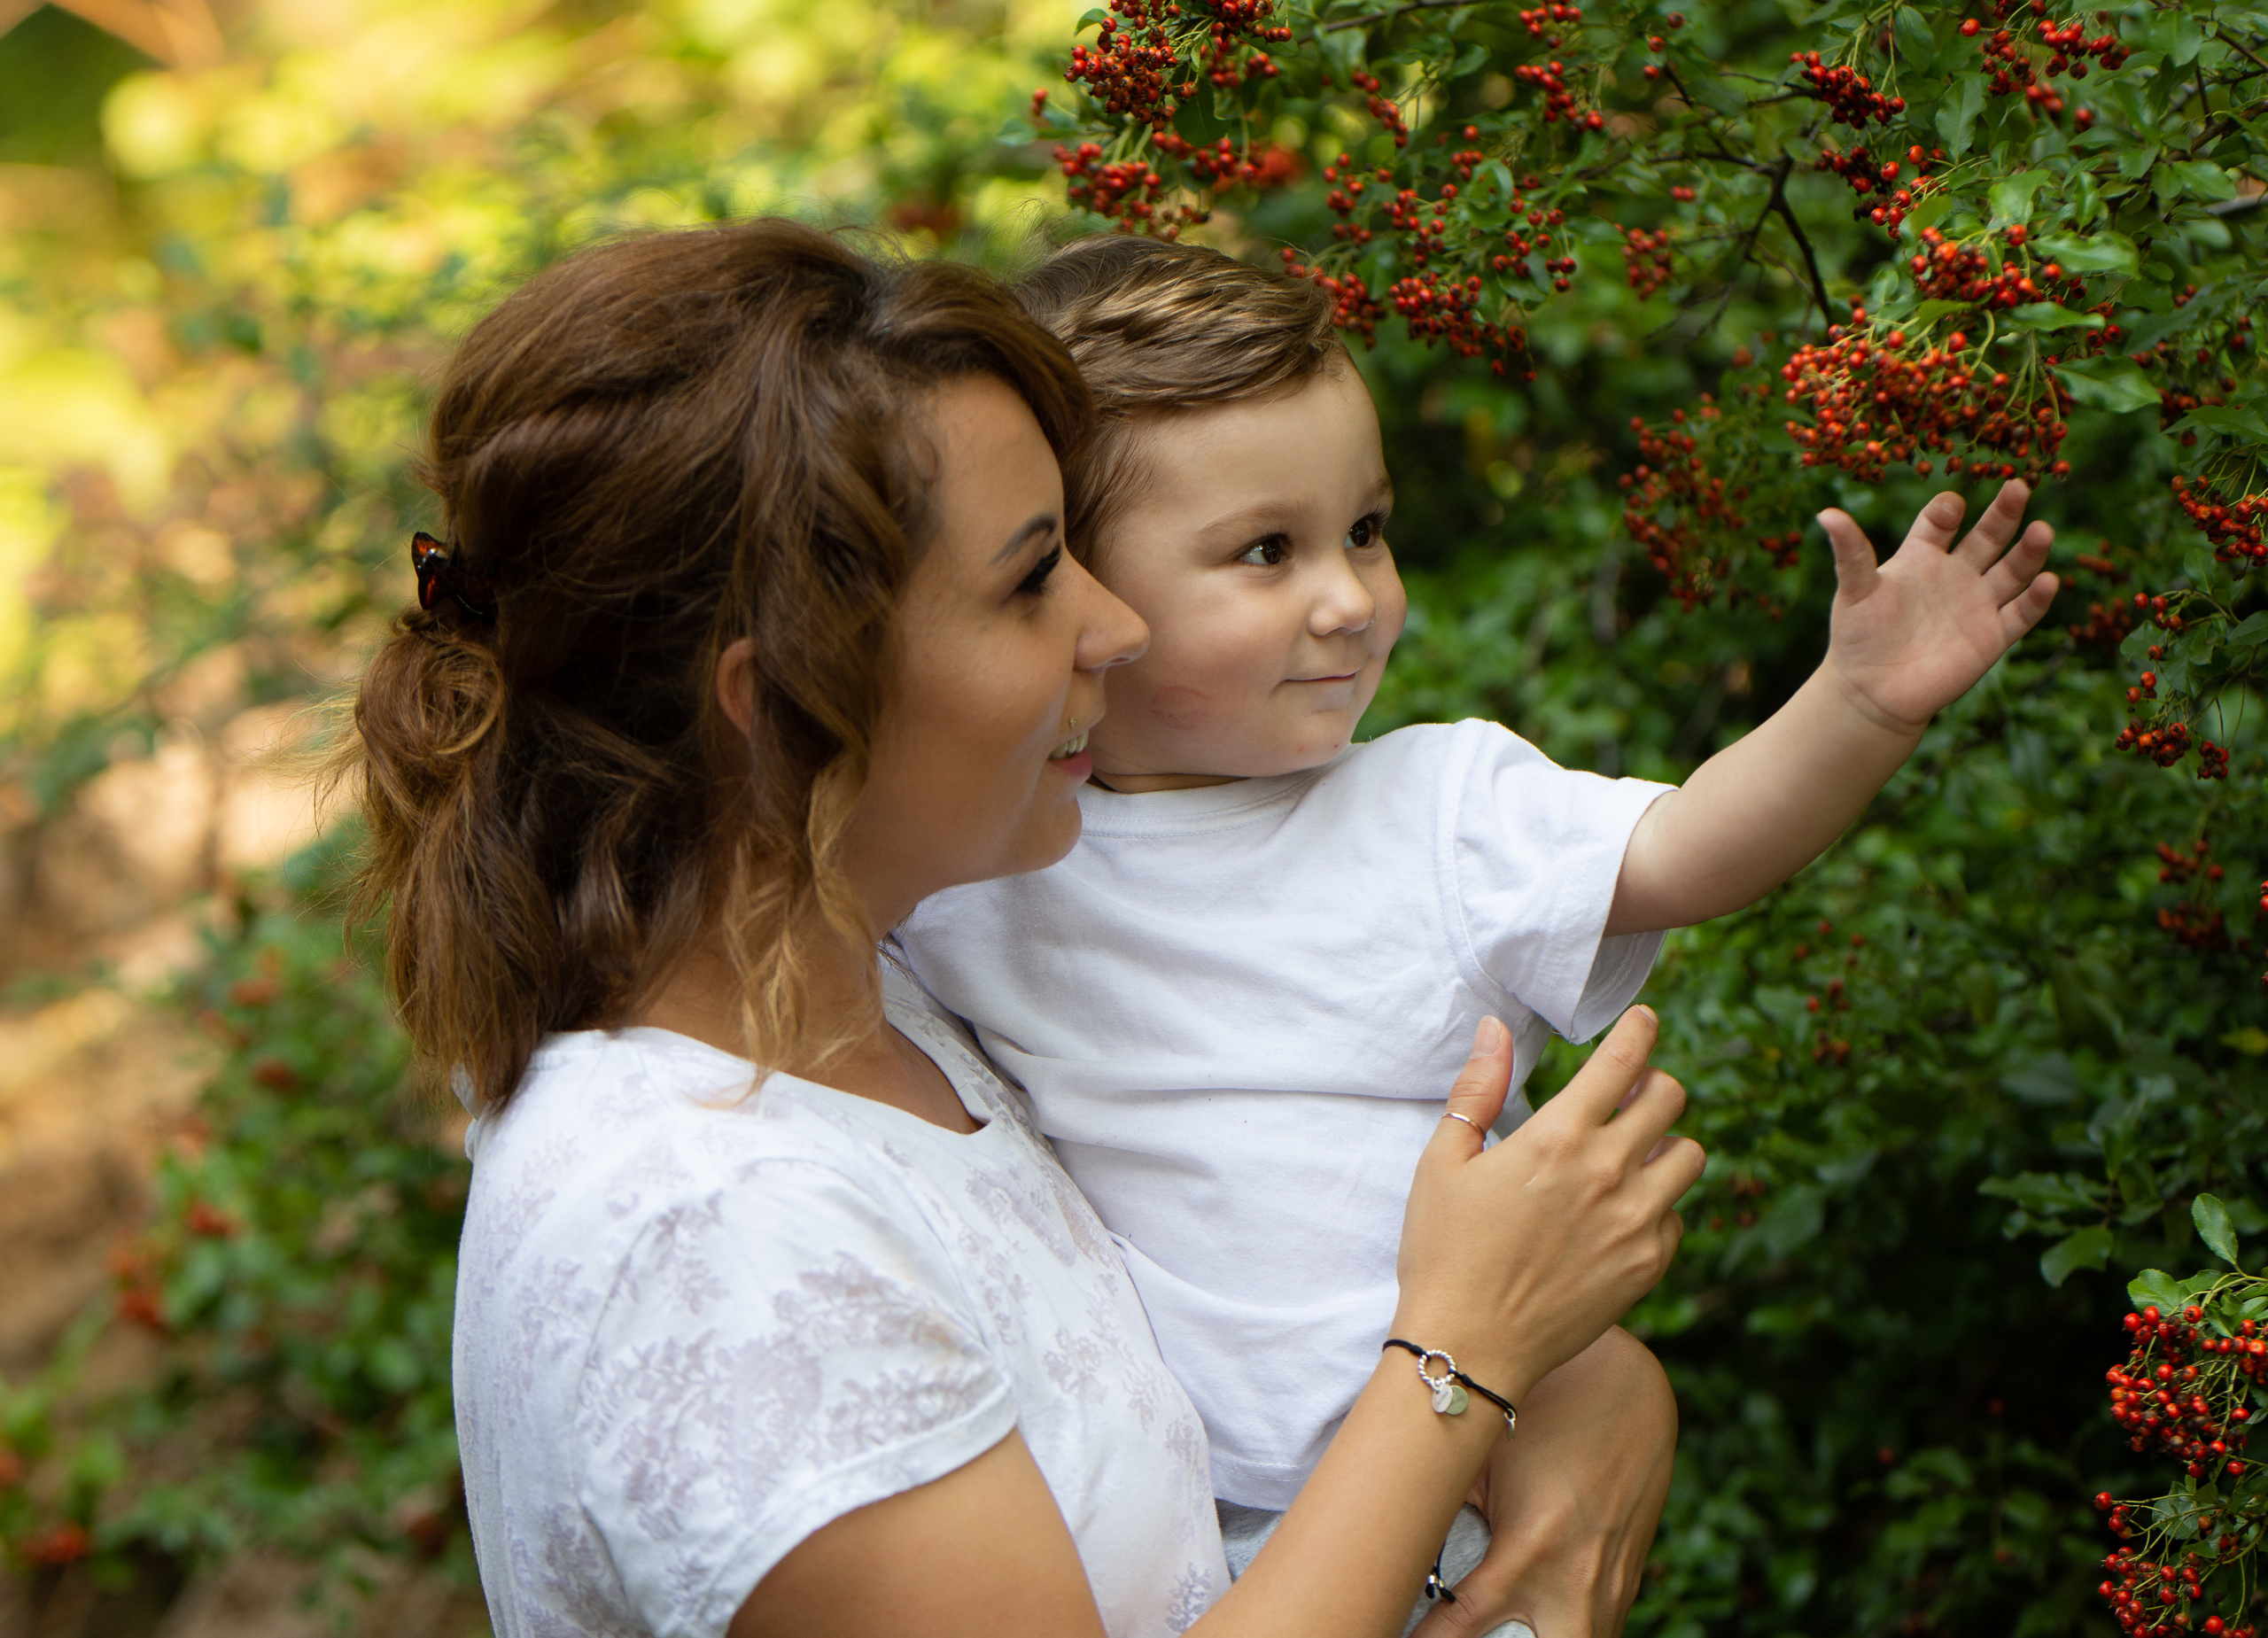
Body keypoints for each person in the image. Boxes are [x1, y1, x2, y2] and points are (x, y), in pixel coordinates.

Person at [336, 217, 1705, 1638]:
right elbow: (1436, 1359)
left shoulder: (882, 1000)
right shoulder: (712, 1235)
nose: (1117, 628)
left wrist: (1595, 1388)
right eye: (1034, 575)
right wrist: (1464, 1352)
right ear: (786, 699)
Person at [893, 235, 2061, 1629]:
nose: (1351, 597)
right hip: (1193, 1540)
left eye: (1365, 530)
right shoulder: (981, 860)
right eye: (1267, 551)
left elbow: (1684, 848)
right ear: (1072, 578)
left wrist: (1860, 707)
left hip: (1465, 1493)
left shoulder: (1433, 809)